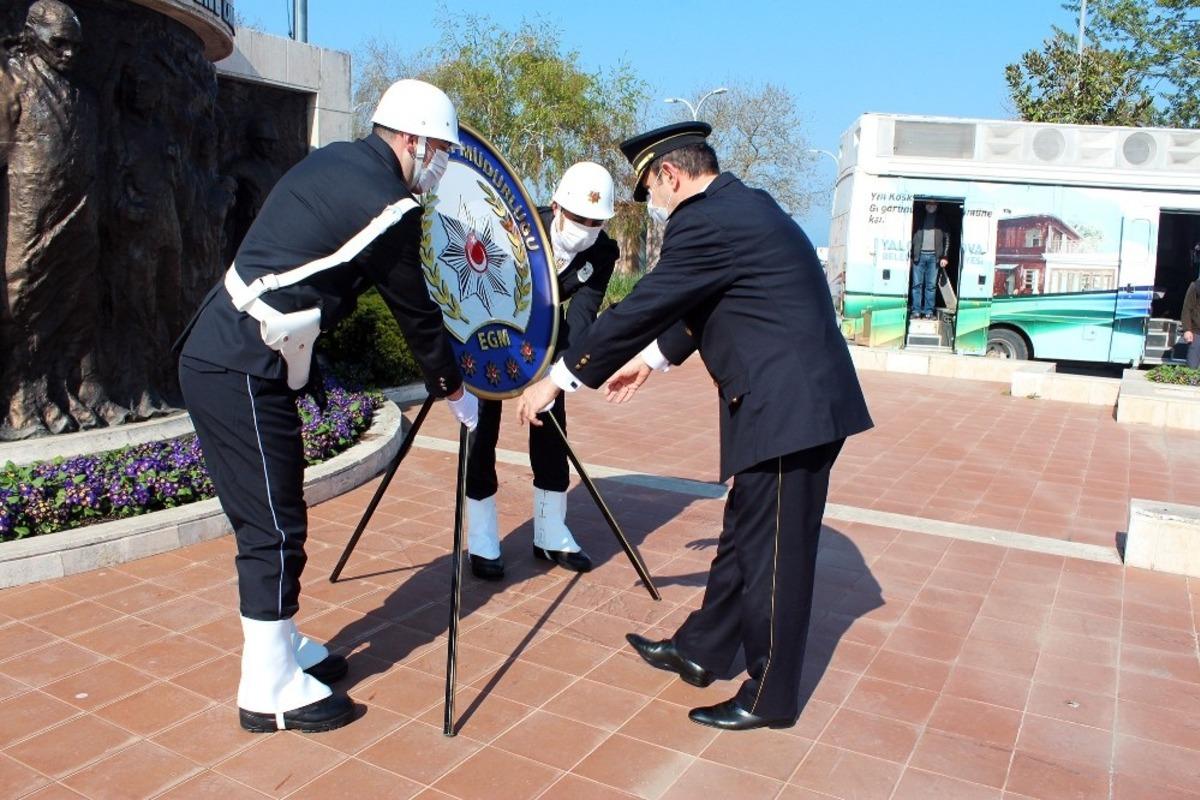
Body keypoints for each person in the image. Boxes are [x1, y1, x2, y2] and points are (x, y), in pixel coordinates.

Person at [515, 122, 873, 731]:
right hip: (790, 402)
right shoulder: (743, 205)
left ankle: (770, 697)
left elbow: (649, 302)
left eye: (650, 190)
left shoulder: (703, 221)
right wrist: (652, 360)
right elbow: (709, 301)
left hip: (790, 410)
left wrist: (561, 376)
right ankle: (702, 649)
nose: (653, 204)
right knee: (745, 535)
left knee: (774, 557)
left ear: (670, 175)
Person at [175, 79, 478, 733]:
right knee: (273, 525)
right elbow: (417, 311)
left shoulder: (338, 158)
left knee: (276, 510)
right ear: (412, 139)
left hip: (234, 351)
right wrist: (453, 388)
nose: (441, 165)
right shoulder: (389, 204)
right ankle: (268, 686)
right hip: (242, 362)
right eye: (441, 151)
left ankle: (280, 641)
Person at [466, 162, 619, 580]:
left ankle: (551, 532)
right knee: (481, 432)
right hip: (491, 332)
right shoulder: (516, 225)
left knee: (552, 427)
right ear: (556, 206)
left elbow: (582, 316)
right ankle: (482, 536)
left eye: (596, 222)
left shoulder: (602, 252)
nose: (586, 229)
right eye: (578, 217)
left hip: (547, 339)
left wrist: (554, 376)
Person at [909, 200, 949, 320]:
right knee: (916, 285)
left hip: (934, 257)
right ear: (925, 205)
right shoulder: (918, 217)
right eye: (929, 204)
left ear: (937, 206)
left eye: (934, 204)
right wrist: (910, 255)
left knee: (931, 286)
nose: (931, 206)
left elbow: (947, 237)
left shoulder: (941, 219)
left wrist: (945, 256)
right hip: (919, 256)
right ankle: (916, 311)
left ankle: (928, 312)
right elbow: (910, 235)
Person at [1182, 276, 1200, 368]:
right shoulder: (1196, 286)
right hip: (1197, 332)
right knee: (1192, 366)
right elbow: (1187, 308)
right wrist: (1187, 329)